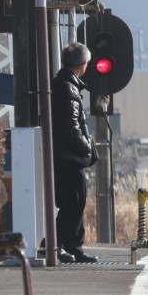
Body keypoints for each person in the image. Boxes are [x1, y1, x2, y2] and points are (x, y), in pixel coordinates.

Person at [51, 42, 99, 263]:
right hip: (68, 158)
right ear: (83, 64)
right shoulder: (68, 89)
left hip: (64, 156)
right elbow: (71, 127)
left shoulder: (64, 84)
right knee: (74, 201)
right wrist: (87, 147)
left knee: (73, 201)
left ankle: (69, 246)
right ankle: (58, 245)